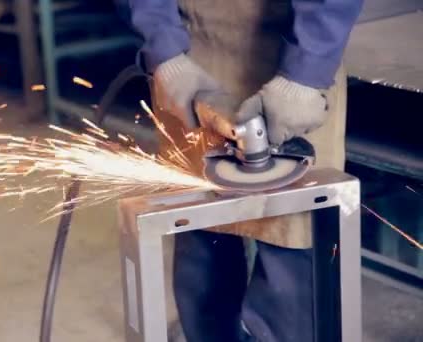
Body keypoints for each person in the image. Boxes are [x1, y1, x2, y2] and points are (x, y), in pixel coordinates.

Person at [115, 1, 363, 341]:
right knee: (200, 239)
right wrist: (165, 52)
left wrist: (306, 73)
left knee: (295, 246)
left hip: (299, 50)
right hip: (192, 51)